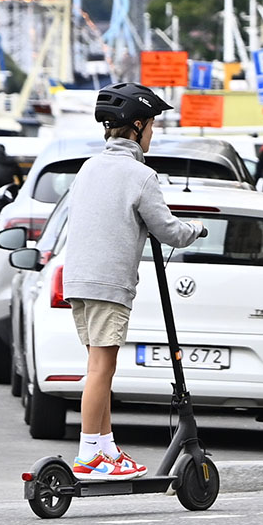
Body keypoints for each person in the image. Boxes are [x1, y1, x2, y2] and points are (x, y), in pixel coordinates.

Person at [63, 82, 205, 481]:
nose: (153, 134)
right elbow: (169, 231)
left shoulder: (89, 167)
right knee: (102, 369)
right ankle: (89, 453)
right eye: (152, 125)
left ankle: (106, 447)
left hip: (78, 281)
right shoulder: (140, 175)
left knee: (96, 365)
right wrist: (195, 229)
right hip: (110, 284)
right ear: (138, 125)